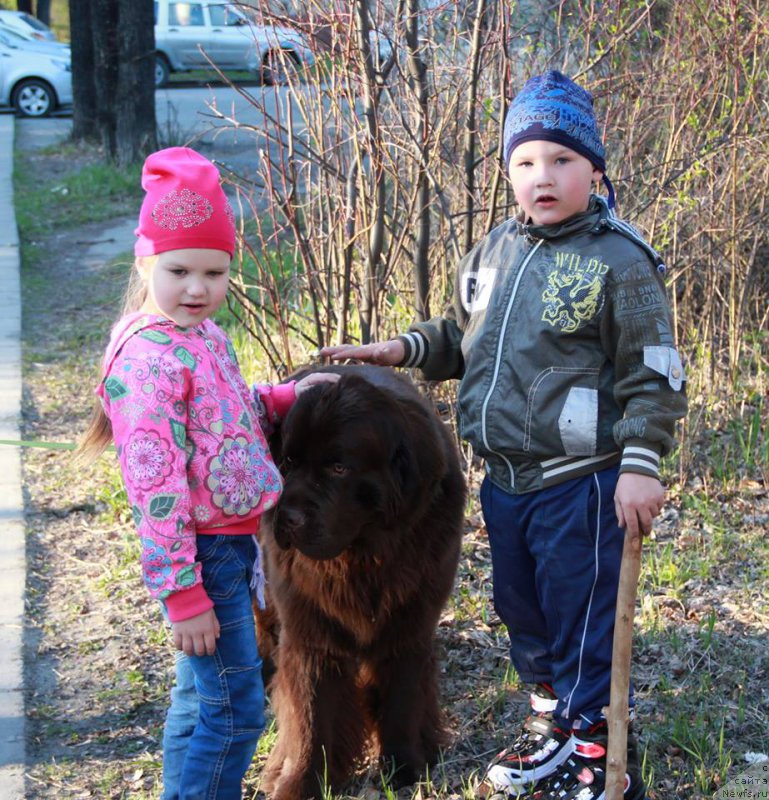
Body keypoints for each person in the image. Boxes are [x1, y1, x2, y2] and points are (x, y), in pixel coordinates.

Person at [321, 71, 687, 799]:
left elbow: (654, 372)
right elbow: (464, 338)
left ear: (594, 170)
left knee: (580, 611)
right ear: (508, 173)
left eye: (560, 160)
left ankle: (599, 746)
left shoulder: (619, 260)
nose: (541, 176)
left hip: (580, 479)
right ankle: (551, 725)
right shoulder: (494, 251)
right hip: (506, 480)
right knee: (522, 608)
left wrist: (641, 464)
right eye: (525, 162)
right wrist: (404, 349)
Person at [78, 147, 338, 799]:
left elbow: (220, 414)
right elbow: (155, 489)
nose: (197, 288)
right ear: (146, 263)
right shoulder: (147, 361)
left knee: (199, 704)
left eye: (214, 272)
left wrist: (278, 399)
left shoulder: (200, 337)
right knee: (235, 712)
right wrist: (182, 595)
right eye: (179, 270)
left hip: (227, 546)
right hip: (200, 557)